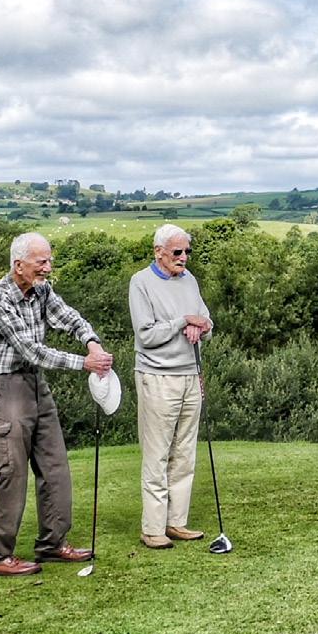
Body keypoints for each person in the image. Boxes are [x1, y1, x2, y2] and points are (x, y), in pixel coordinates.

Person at [0, 232, 112, 575]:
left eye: (49, 260)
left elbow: (70, 317)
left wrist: (92, 342)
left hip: (35, 383)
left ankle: (52, 544)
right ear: (18, 264)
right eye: (42, 262)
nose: (48, 268)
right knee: (10, 471)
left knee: (55, 467)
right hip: (2, 388)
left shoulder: (42, 290)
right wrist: (84, 363)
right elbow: (30, 349)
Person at [128, 224, 213, 550]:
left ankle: (177, 522)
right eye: (177, 252)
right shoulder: (141, 282)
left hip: (191, 374)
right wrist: (183, 322)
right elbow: (146, 335)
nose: (184, 257)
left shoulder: (190, 280)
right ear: (158, 252)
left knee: (185, 452)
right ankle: (153, 529)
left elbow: (207, 321)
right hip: (158, 377)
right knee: (157, 453)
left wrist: (200, 327)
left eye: (187, 251)